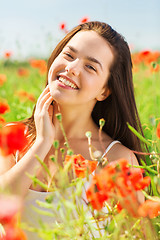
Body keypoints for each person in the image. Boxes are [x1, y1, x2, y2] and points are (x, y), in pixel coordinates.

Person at [0, 21, 145, 238]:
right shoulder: (12, 137)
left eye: (90, 66)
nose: (72, 67)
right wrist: (41, 143)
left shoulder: (117, 159)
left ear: (104, 90)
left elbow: (137, 234)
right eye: (69, 55)